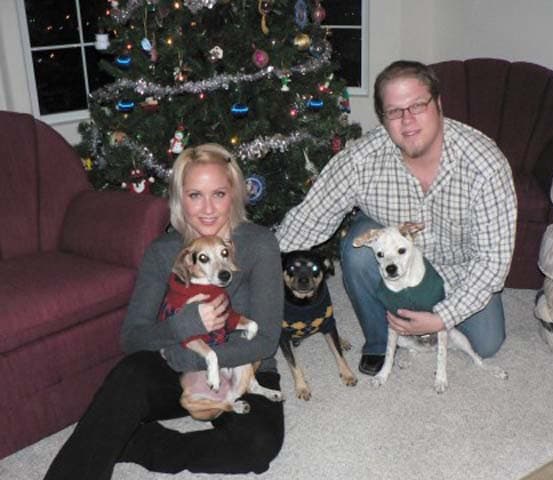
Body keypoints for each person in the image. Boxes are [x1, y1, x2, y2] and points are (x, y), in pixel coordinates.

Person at [45, 144, 284, 479]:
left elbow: (267, 340)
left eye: (218, 193)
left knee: (256, 446)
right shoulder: (164, 251)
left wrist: (193, 358)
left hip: (243, 371)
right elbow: (132, 337)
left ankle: (134, 443)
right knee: (130, 375)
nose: (208, 209)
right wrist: (182, 325)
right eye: (194, 195)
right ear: (179, 199)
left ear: (235, 194)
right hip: (177, 366)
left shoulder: (260, 244)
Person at [276, 60, 517, 376]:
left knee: (487, 343)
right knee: (358, 250)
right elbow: (309, 219)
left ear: (439, 105)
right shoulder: (362, 160)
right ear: (383, 119)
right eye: (394, 112)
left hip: (458, 268)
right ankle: (378, 340)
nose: (408, 120)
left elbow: (493, 260)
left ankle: (428, 318)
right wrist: (245, 258)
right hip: (389, 248)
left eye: (418, 105)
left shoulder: (485, 166)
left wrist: (443, 316)